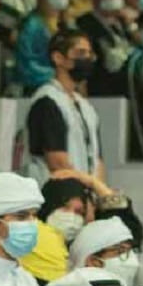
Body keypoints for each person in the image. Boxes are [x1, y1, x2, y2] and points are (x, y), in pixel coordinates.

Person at [22, 29, 105, 182]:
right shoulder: (47, 100)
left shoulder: (86, 107)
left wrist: (97, 191)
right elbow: (57, 161)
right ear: (58, 58)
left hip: (86, 195)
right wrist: (89, 186)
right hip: (55, 194)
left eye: (89, 54)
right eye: (80, 53)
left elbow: (97, 158)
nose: (87, 58)